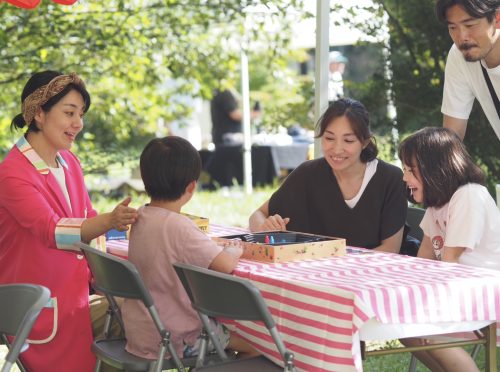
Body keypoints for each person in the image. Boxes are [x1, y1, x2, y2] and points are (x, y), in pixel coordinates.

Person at [0, 70, 138, 372]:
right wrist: (108, 220)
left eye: (81, 114)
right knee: (144, 322)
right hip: (38, 310)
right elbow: (54, 232)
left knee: (143, 318)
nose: (78, 123)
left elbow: (87, 219)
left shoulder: (69, 162)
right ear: (39, 114)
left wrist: (102, 278)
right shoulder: (12, 173)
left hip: (76, 299)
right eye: (69, 113)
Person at [121, 136, 256, 360]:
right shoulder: (181, 226)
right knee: (258, 346)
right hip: (179, 338)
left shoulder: (140, 217)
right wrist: (234, 250)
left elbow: (173, 247)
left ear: (145, 181)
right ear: (192, 186)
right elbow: (224, 265)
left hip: (141, 333)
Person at [398, 126, 500, 372]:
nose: (405, 178)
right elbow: (424, 260)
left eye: (410, 170)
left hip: (487, 296)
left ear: (435, 169)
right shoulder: (437, 205)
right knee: (402, 327)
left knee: (428, 331)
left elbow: (449, 263)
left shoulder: (469, 196)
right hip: (461, 292)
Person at [249, 98, 407, 252]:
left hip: (369, 275)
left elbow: (390, 249)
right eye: (329, 138)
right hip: (311, 272)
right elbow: (257, 215)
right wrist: (265, 228)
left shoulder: (389, 179)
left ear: (365, 142)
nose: (337, 149)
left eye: (348, 141)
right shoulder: (307, 173)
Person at [436, 0, 500, 141]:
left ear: (497, 18)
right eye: (453, 27)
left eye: (470, 25)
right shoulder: (458, 56)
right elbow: (452, 139)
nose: (462, 37)